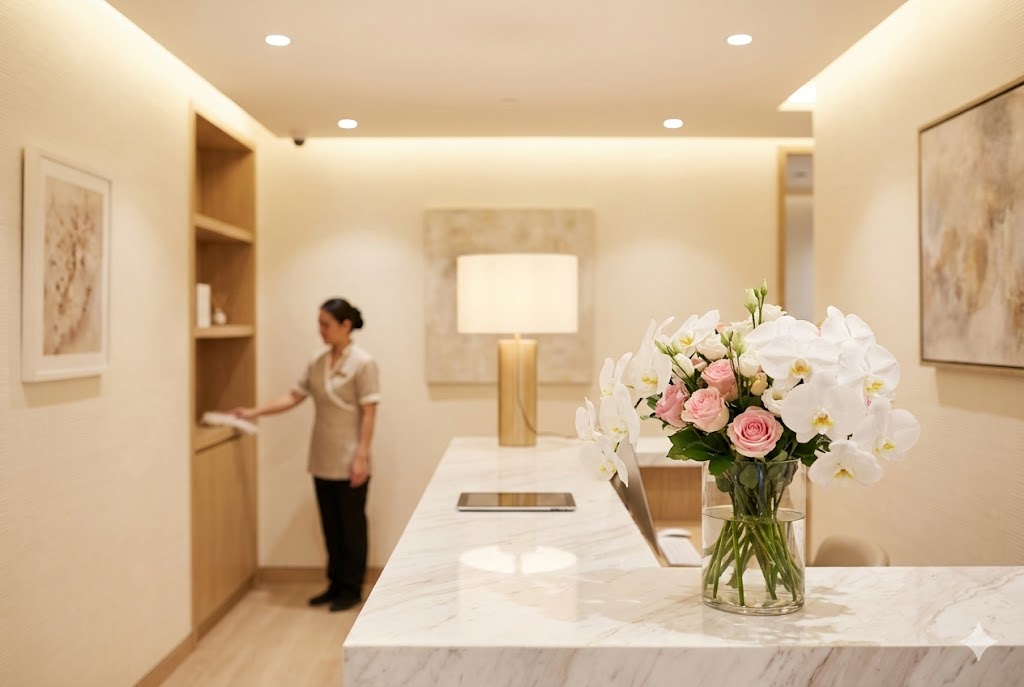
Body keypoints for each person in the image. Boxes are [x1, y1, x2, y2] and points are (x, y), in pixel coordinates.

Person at [233, 298, 380, 612]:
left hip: (351, 457)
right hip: (322, 456)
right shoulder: (317, 361)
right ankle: (335, 583)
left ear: (346, 326)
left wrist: (362, 456)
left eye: (326, 324)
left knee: (352, 526)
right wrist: (254, 412)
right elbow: (294, 396)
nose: (321, 330)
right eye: (319, 324)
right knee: (330, 525)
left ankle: (352, 588)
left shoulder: (363, 363)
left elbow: (369, 412)